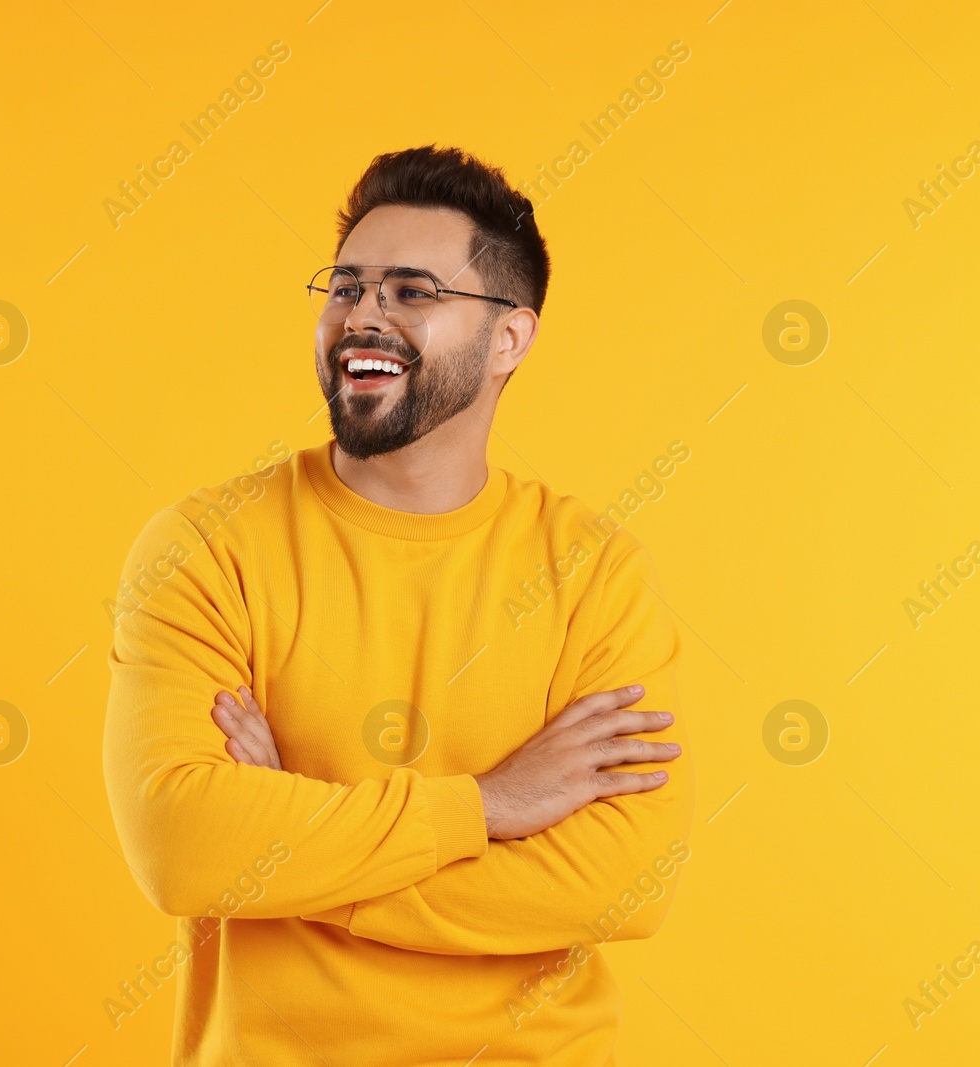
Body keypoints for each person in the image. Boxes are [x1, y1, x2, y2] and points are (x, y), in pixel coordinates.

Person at [102, 144, 694, 1066]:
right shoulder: (207, 548)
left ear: (510, 338)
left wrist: (297, 839)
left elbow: (623, 880)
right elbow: (182, 844)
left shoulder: (593, 570)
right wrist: (489, 806)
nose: (362, 316)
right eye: (346, 288)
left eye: (412, 291)